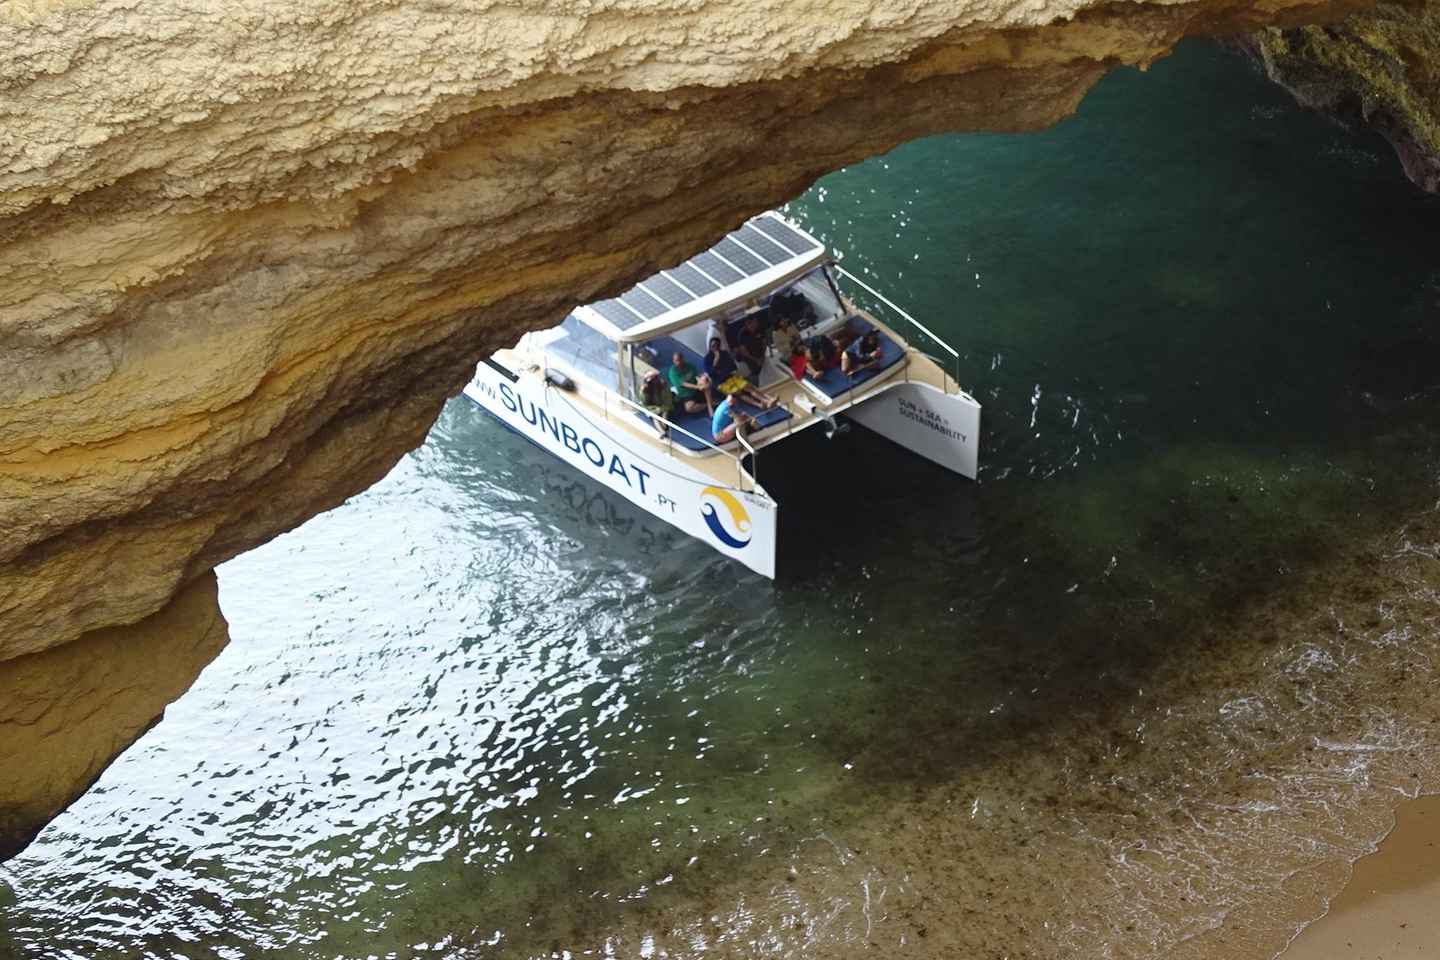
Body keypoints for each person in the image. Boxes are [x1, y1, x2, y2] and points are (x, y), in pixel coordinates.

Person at [704, 337, 777, 409]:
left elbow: (732, 366)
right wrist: (716, 361)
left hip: (731, 377)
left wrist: (722, 371)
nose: (715, 347)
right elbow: (711, 373)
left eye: (717, 345)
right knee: (739, 393)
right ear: (710, 346)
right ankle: (759, 405)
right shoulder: (707, 358)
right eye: (713, 345)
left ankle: (767, 400)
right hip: (721, 383)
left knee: (749, 387)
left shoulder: (724, 353)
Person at [733, 314, 769, 379]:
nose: (757, 322)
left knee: (766, 370)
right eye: (755, 321)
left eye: (756, 321)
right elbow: (744, 351)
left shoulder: (760, 328)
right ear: (749, 323)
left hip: (760, 353)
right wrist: (756, 360)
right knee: (756, 373)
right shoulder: (742, 334)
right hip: (750, 358)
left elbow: (764, 342)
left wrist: (763, 355)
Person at [640, 371, 671, 438]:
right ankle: (662, 432)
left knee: (664, 415)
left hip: (664, 405)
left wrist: (663, 408)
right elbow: (645, 404)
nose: (653, 382)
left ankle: (664, 428)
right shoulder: (646, 389)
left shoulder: (663, 384)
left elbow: (668, 398)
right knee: (655, 416)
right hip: (653, 407)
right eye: (650, 381)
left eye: (654, 379)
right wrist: (644, 393)